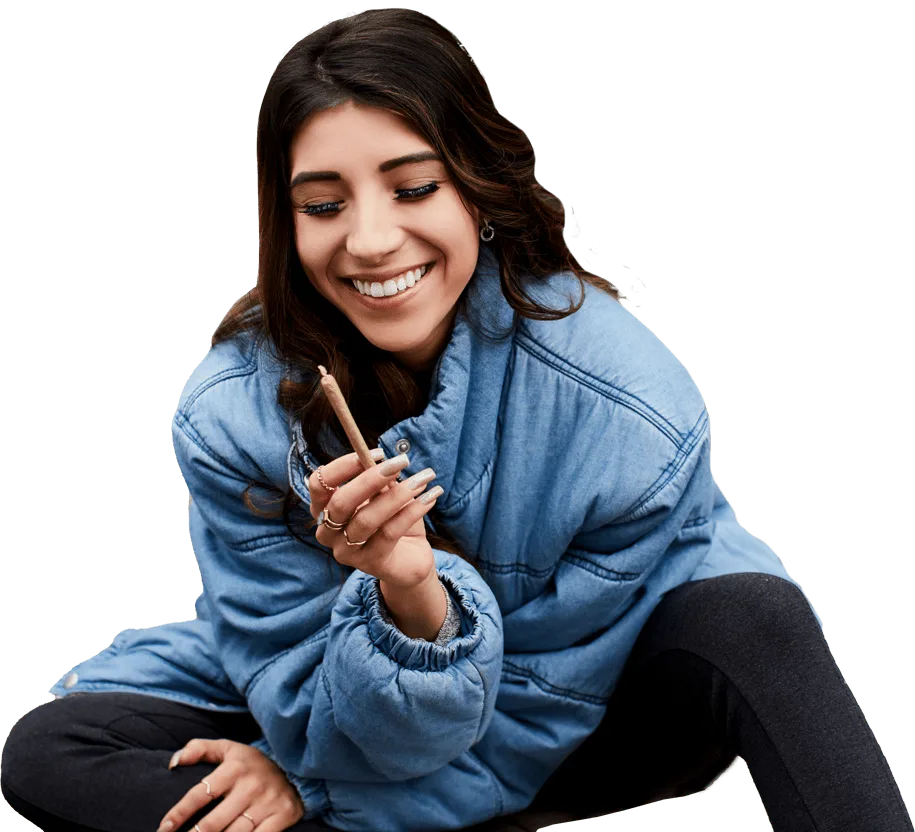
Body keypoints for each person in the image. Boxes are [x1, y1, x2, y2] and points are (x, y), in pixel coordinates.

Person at [1, 8, 911, 832]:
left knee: (753, 616)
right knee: (54, 750)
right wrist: (367, 652)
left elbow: (538, 706)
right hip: (345, 705)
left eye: (412, 188)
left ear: (476, 187)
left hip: (587, 706)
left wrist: (317, 772)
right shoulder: (231, 415)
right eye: (323, 205)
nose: (368, 241)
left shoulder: (626, 404)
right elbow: (287, 678)